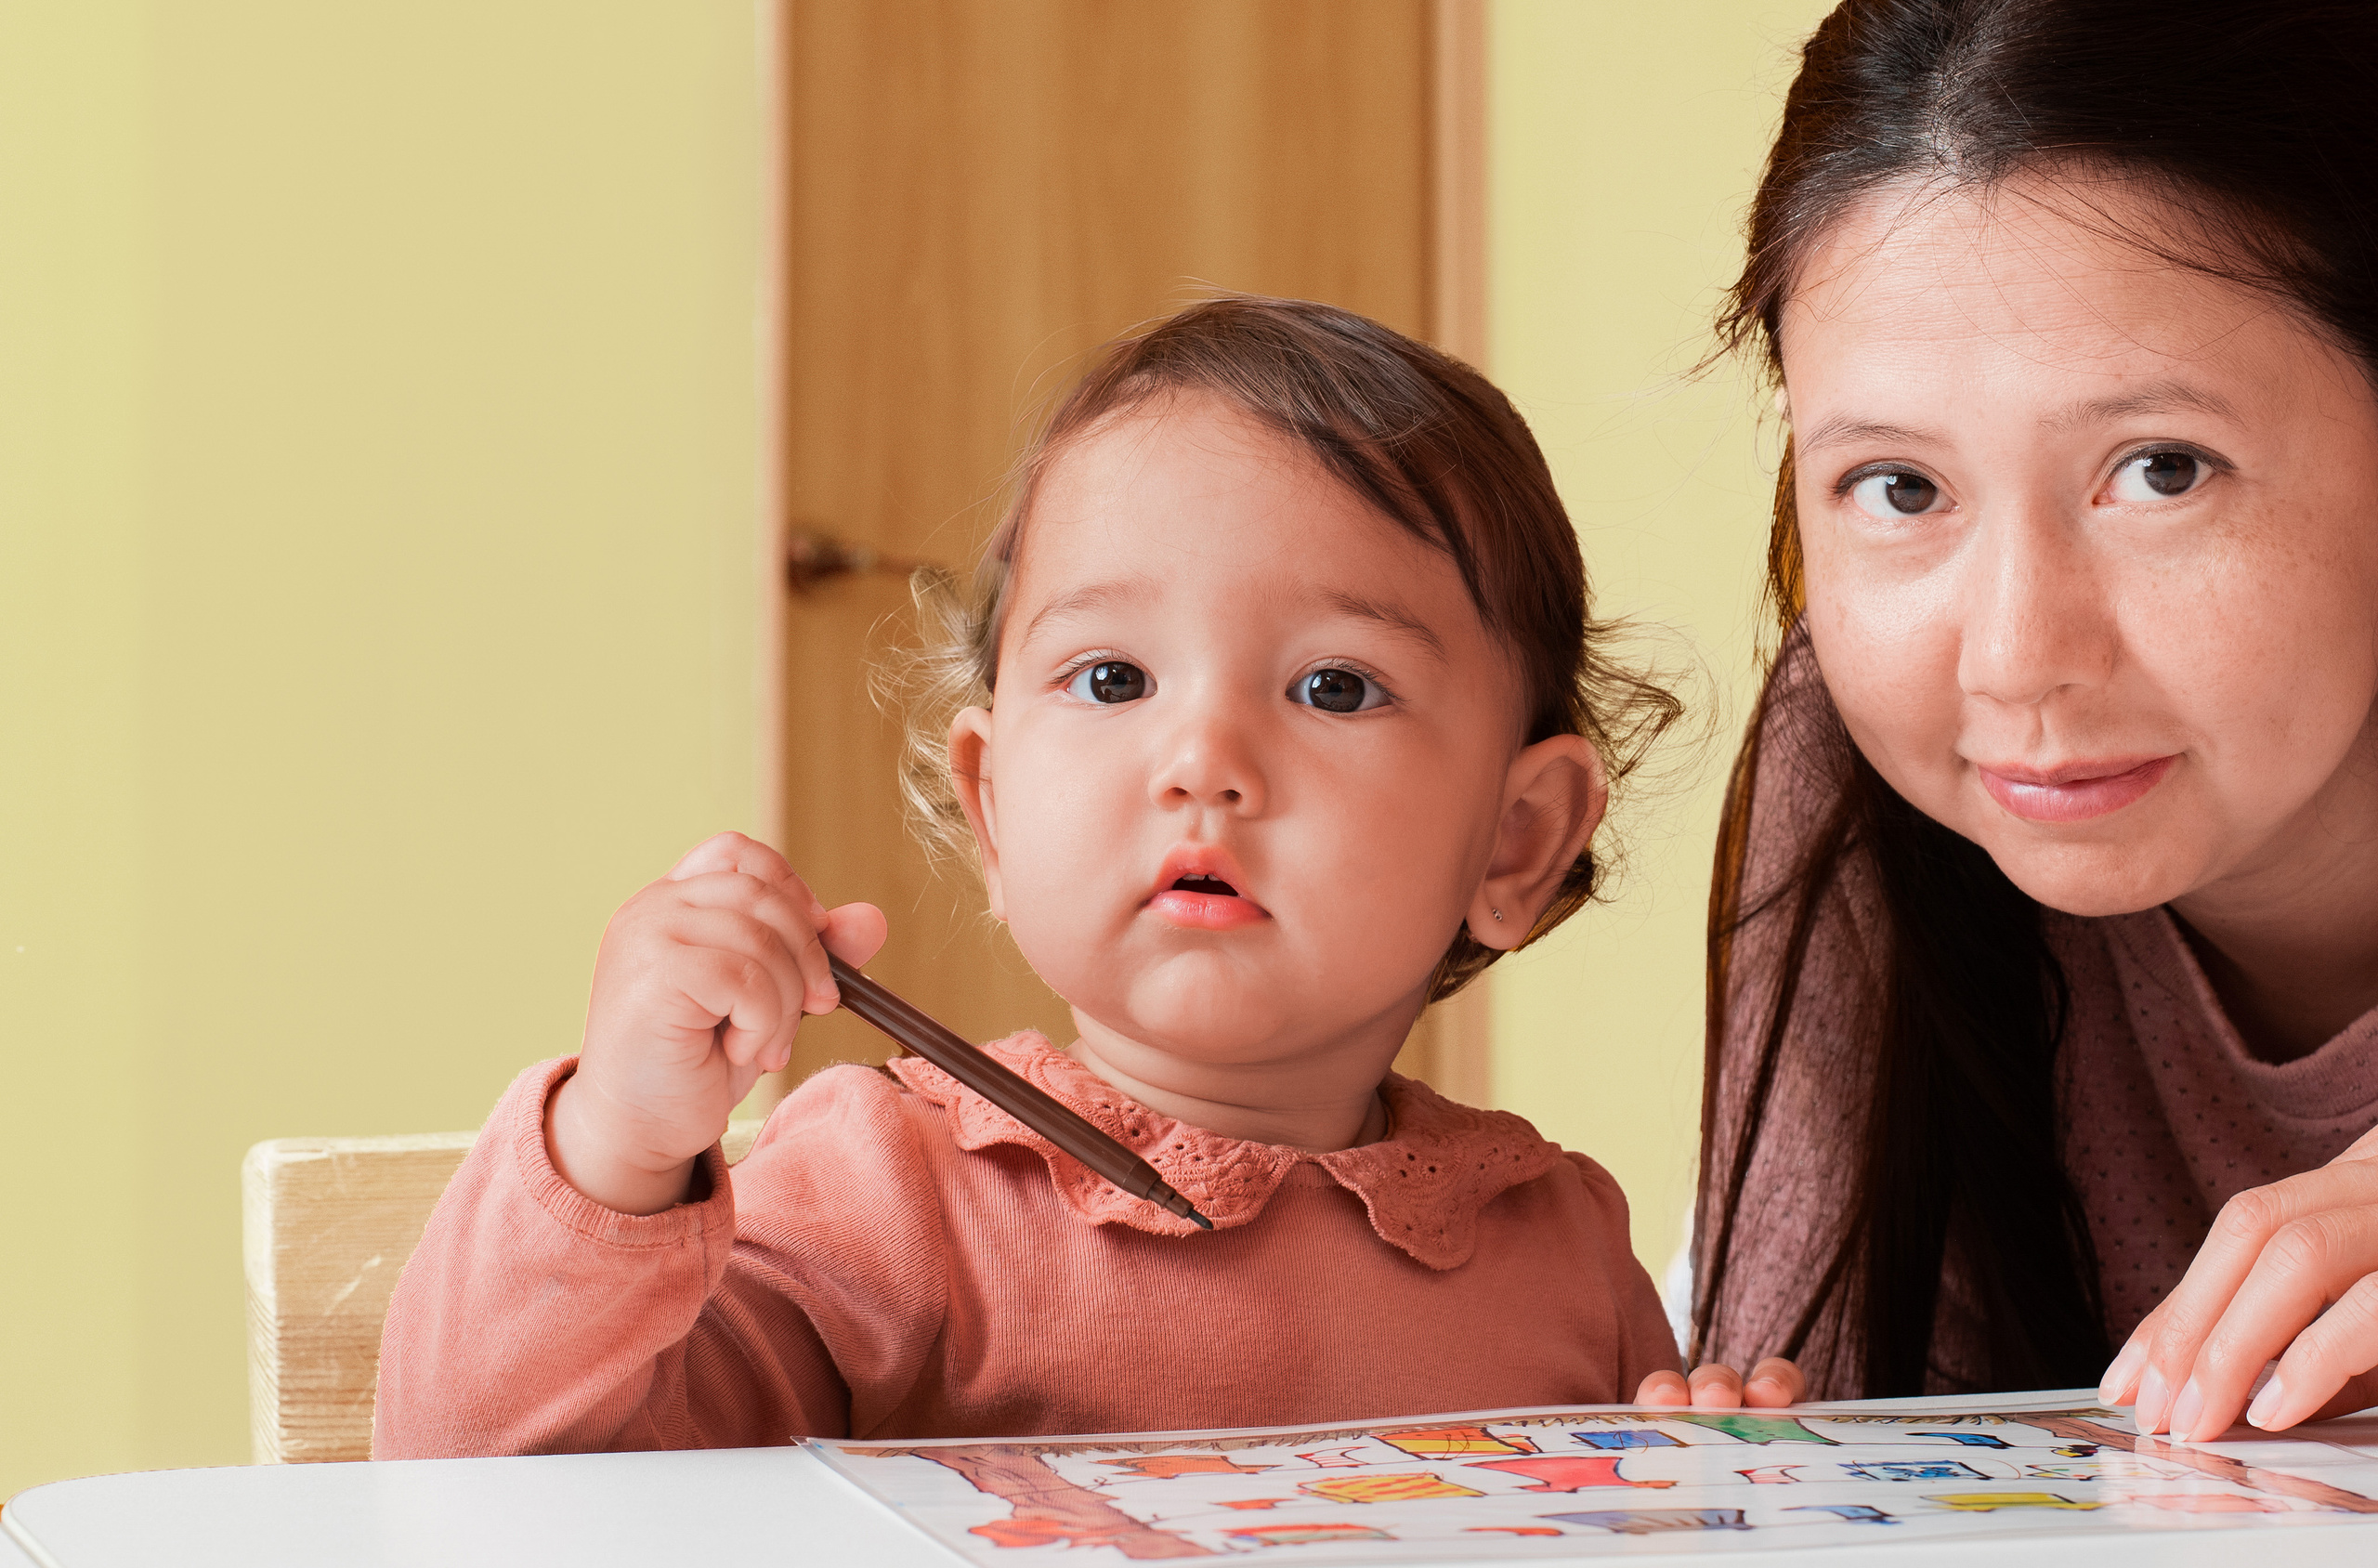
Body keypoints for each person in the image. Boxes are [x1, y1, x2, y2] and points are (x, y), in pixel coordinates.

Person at [374, 295, 1782, 1457]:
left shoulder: (1568, 1247)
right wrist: (619, 1146)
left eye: (1334, 685)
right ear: (990, 802)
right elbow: (490, 1488)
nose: (1202, 760)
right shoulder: (884, 1190)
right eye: (1112, 676)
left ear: (1517, 839)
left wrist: (1720, 1484)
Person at [1692, 0, 2378, 1440]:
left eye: (2164, 468)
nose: (2016, 658)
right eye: (1899, 488)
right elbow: (1828, 1446)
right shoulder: (1852, 773)